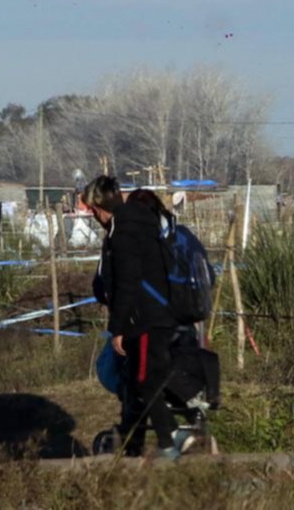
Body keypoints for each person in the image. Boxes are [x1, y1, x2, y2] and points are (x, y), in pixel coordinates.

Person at [82, 176, 180, 460]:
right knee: (138, 383)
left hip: (146, 318)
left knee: (144, 382)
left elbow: (127, 283)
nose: (93, 215)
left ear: (100, 208)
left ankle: (172, 436)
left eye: (92, 210)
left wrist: (118, 328)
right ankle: (138, 444)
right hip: (153, 315)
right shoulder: (138, 224)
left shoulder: (123, 232)